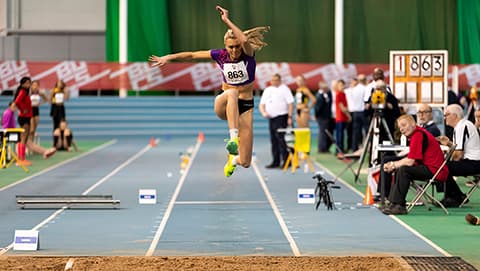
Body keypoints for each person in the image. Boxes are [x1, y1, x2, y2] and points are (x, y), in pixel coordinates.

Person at [149, 5, 269, 177]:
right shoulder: (220, 55)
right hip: (224, 101)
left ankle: (232, 160)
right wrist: (168, 57)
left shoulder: (248, 54)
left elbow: (243, 40)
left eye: (236, 46)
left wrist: (226, 20)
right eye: (230, 47)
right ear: (225, 46)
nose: (234, 50)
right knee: (233, 92)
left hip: (246, 106)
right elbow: (191, 55)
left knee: (246, 162)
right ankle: (233, 138)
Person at [382, 114, 449, 215]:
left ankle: (399, 205)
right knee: (401, 169)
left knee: (404, 170)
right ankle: (394, 203)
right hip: (430, 168)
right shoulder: (417, 134)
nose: (402, 129)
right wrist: (395, 165)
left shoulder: (418, 135)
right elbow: (413, 159)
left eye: (404, 125)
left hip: (435, 170)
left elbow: (410, 161)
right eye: (400, 127)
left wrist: (393, 164)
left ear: (413, 124)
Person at [437, 104, 480, 207]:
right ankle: (455, 195)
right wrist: (449, 143)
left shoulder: (462, 126)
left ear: (455, 115)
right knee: (443, 166)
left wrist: (447, 159)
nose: (444, 117)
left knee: (442, 167)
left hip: (474, 163)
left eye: (446, 114)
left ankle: (455, 197)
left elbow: (458, 155)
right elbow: (461, 149)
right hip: (473, 161)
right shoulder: (462, 125)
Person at [13, 77, 56, 166]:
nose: (29, 85)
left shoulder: (26, 92)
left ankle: (22, 158)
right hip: (24, 117)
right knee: (24, 138)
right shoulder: (23, 91)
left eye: (30, 83)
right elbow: (16, 102)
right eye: (27, 83)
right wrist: (22, 109)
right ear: (22, 84)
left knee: (25, 139)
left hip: (27, 116)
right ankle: (21, 159)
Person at [259, 74, 293, 168]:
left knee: (281, 139)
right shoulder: (268, 90)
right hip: (272, 118)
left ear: (280, 80)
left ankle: (286, 161)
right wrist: (264, 112)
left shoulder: (284, 89)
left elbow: (290, 103)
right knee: (273, 140)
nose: (274, 82)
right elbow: (262, 104)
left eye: (276, 80)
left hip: (282, 116)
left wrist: (290, 117)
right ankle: (276, 161)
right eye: (273, 80)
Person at [314, 81, 332, 153]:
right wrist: (316, 115)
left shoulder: (327, 94)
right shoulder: (319, 96)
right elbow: (318, 108)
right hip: (322, 117)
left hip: (326, 116)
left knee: (325, 132)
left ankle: (324, 147)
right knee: (323, 133)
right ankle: (322, 148)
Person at [334, 79, 351, 158]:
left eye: (342, 85)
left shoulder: (343, 94)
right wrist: (348, 115)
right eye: (339, 85)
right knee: (339, 135)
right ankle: (339, 151)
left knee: (342, 135)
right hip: (340, 117)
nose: (341, 87)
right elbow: (342, 107)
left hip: (343, 118)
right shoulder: (338, 94)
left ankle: (341, 150)